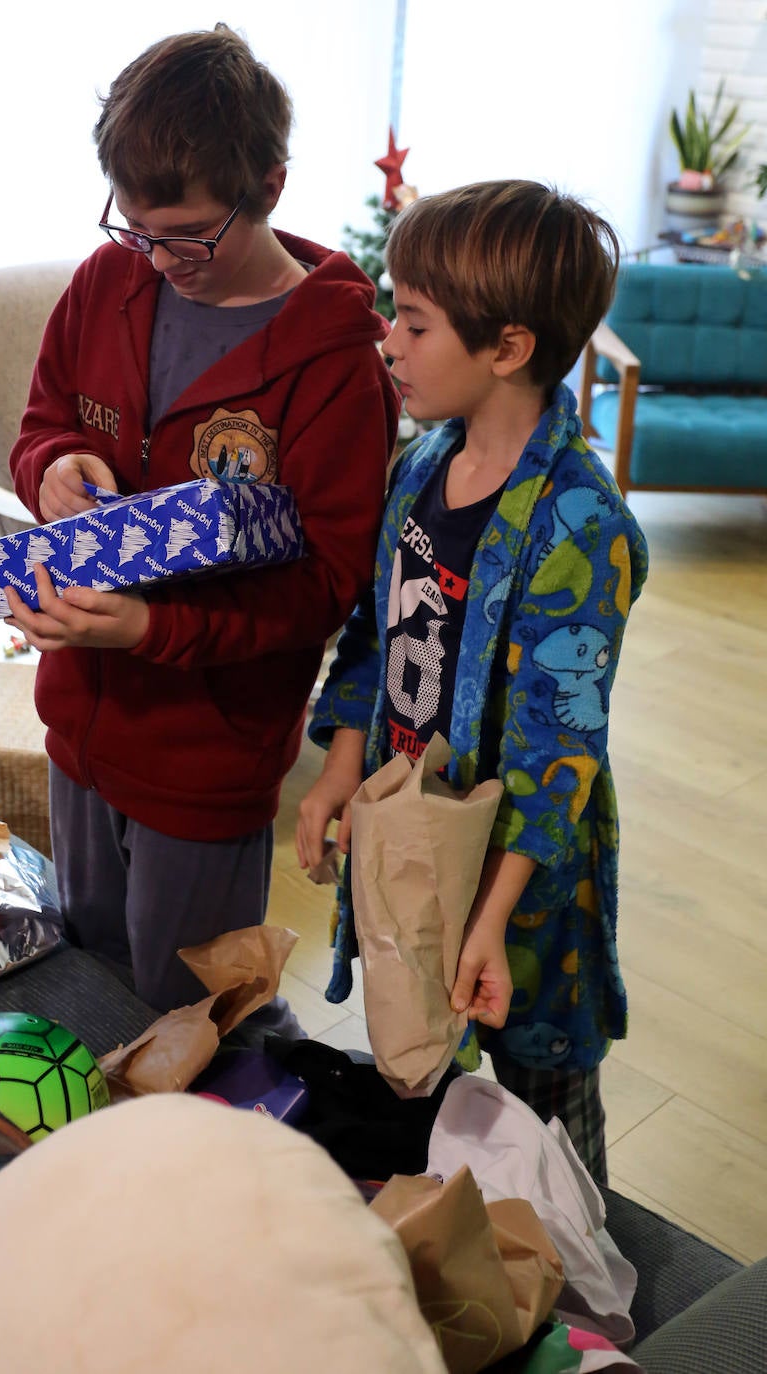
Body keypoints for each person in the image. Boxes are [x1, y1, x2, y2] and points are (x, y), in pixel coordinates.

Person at [3, 26, 400, 1019]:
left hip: (207, 754)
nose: (158, 259)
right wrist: (52, 469)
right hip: (79, 727)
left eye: (186, 237)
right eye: (133, 229)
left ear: (267, 186)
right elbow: (42, 423)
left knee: (193, 1025)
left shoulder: (335, 361)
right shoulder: (108, 282)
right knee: (89, 992)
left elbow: (323, 589)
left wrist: (152, 629)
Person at [296, 181, 649, 1181]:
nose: (388, 344)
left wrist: (487, 925)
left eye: (412, 323)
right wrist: (337, 776)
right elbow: (374, 634)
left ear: (508, 348)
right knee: (431, 1086)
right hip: (416, 844)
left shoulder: (579, 527)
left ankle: (576, 1308)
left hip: (523, 899)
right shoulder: (420, 469)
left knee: (543, 1130)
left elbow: (556, 751)